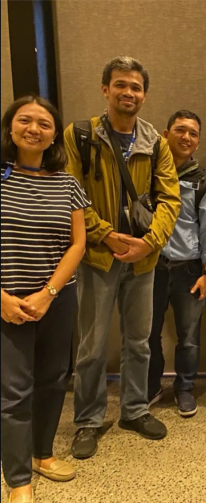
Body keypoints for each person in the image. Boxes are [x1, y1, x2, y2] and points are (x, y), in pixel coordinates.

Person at [64, 56, 181, 460]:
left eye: (135, 87)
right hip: (97, 255)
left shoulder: (156, 142)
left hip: (143, 259)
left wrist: (149, 242)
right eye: (120, 85)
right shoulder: (80, 135)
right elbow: (70, 193)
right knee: (92, 346)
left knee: (140, 341)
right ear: (105, 90)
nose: (128, 93)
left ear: (144, 95)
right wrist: (106, 235)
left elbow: (170, 198)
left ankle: (134, 410)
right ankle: (88, 420)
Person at [1, 96, 88, 503]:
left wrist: (49, 293)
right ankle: (19, 480)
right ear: (10, 126)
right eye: (25, 120)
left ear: (55, 134)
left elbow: (78, 244)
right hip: (6, 302)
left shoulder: (66, 183)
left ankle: (42, 454)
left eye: (44, 123)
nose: (34, 129)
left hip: (56, 299)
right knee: (14, 391)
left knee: (54, 380)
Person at [147, 110, 206, 417]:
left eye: (192, 133)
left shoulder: (204, 182)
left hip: (189, 268)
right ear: (165, 134)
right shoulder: (146, 174)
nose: (186, 137)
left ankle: (185, 388)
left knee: (188, 336)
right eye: (180, 130)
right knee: (145, 334)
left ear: (198, 141)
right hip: (149, 267)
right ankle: (150, 387)